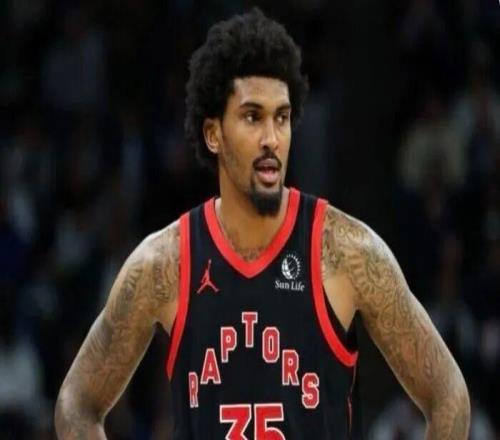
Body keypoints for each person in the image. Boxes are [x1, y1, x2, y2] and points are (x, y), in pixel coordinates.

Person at [55, 8, 470, 439]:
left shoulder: (346, 251)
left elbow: (449, 396)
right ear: (213, 134)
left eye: (282, 117)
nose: (272, 138)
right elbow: (76, 403)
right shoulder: (165, 263)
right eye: (253, 117)